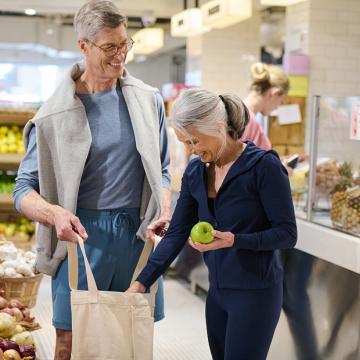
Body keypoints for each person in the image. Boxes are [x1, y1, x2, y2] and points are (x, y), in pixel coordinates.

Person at [13, 1, 171, 359]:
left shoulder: (149, 101)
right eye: (109, 47)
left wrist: (163, 207)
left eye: (125, 44)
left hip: (136, 237)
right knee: (70, 341)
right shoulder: (54, 115)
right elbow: (24, 189)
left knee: (129, 337)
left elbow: (161, 168)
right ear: (83, 45)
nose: (120, 56)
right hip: (80, 237)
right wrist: (55, 215)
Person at [128, 88, 297, 360]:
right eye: (185, 142)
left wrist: (235, 239)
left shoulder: (263, 166)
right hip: (217, 293)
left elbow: (287, 234)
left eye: (194, 140)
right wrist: (141, 282)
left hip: (255, 292)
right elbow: (178, 233)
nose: (191, 150)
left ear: (219, 126)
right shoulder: (196, 171)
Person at [243, 62, 319, 360]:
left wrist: (284, 162)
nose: (279, 107)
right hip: (257, 219)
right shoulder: (251, 121)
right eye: (281, 101)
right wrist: (284, 166)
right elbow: (258, 170)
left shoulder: (241, 114)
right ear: (273, 93)